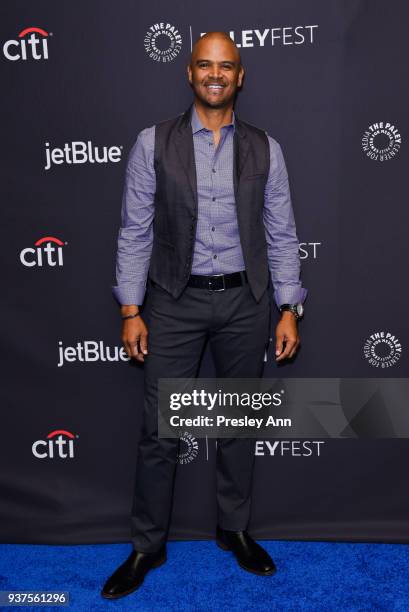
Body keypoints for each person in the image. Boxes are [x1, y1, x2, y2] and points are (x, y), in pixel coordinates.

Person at [102, 31, 307, 600]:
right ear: (189, 73)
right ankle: (148, 544)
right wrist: (130, 308)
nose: (215, 75)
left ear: (240, 77)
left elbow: (282, 233)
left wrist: (289, 307)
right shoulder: (153, 143)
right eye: (204, 65)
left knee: (238, 425)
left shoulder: (267, 148)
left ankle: (234, 529)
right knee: (159, 430)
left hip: (246, 302)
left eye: (226, 67)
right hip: (173, 300)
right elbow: (135, 229)